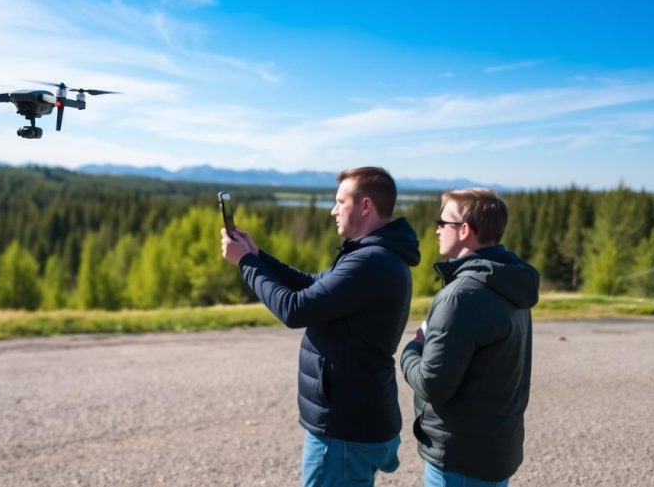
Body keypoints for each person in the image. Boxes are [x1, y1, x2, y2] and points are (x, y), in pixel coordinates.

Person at [221, 166, 420, 487]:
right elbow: (311, 286)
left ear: (365, 206)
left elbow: (294, 309)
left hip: (344, 430)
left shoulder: (370, 261)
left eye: (340, 201)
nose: (333, 210)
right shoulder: (375, 255)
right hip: (357, 421)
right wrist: (257, 256)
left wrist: (245, 264)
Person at [400, 189, 539, 487]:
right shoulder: (510, 282)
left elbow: (433, 384)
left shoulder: (460, 297)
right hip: (493, 453)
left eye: (443, 222)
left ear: (464, 230)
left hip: (460, 461)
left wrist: (411, 351)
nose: (437, 229)